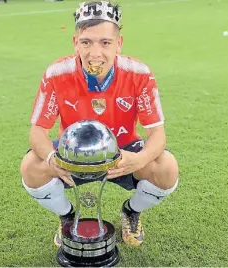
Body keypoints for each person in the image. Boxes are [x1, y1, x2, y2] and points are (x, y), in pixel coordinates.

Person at [20, 1, 179, 247]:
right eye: (86, 42)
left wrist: (139, 159)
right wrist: (53, 159)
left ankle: (131, 211)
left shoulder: (139, 73)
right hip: (73, 153)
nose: (95, 53)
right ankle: (67, 217)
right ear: (75, 43)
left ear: (119, 43)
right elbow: (37, 131)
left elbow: (157, 133)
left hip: (122, 153)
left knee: (166, 168)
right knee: (31, 166)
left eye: (105, 43)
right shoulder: (56, 74)